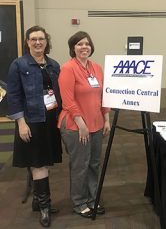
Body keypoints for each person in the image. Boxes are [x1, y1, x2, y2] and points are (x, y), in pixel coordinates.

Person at [6, 25, 62, 227]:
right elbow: (13, 95)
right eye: (33, 39)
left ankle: (38, 200)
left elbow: (58, 94)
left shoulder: (54, 65)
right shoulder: (19, 65)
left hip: (50, 119)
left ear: (46, 41)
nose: (37, 42)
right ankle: (45, 206)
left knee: (44, 162)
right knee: (38, 163)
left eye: (41, 39)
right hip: (31, 121)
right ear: (27, 42)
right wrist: (20, 122)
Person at [58, 31, 110, 218]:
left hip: (96, 124)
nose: (84, 47)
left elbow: (104, 95)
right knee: (81, 164)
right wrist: (81, 124)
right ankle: (79, 202)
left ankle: (92, 198)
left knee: (94, 164)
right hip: (75, 125)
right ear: (73, 48)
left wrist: (106, 119)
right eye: (79, 44)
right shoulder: (68, 68)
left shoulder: (97, 67)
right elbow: (68, 101)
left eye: (87, 44)